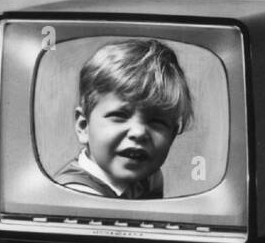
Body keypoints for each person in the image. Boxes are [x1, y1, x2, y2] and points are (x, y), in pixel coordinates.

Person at [54, 39, 194, 199]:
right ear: (84, 126)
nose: (139, 132)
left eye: (156, 122)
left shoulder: (150, 178)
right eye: (119, 116)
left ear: (172, 135)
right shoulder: (77, 194)